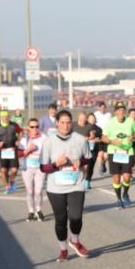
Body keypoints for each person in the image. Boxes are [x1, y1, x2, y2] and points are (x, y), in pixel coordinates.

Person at [40, 110, 92, 261]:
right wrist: (57, 164)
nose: (65, 125)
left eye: (68, 122)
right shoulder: (49, 142)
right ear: (56, 123)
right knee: (61, 220)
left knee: (76, 217)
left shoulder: (80, 140)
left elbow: (88, 159)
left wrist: (80, 162)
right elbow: (43, 167)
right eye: (62, 122)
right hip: (55, 188)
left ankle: (74, 240)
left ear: (72, 123)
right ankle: (63, 250)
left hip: (76, 184)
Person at [101, 102, 135, 208]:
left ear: (125, 111)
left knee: (126, 177)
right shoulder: (110, 123)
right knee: (117, 178)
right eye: (118, 110)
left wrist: (132, 136)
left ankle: (125, 193)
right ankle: (118, 199)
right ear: (115, 112)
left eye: (123, 110)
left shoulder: (130, 121)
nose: (121, 112)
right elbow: (103, 137)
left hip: (127, 152)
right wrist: (112, 141)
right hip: (114, 152)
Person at [18, 118, 47, 222]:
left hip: (40, 168)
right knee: (30, 191)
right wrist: (28, 150)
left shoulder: (44, 138)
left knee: (38, 191)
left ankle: (38, 210)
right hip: (27, 169)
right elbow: (18, 154)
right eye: (32, 127)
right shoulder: (24, 140)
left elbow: (49, 151)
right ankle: (31, 211)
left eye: (37, 126)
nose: (35, 129)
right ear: (28, 128)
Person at [73, 111, 101, 190]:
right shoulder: (73, 124)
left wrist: (87, 138)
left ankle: (85, 180)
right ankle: (75, 179)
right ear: (78, 118)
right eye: (81, 119)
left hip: (86, 149)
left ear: (86, 119)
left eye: (84, 119)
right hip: (75, 150)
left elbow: (92, 136)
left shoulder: (89, 126)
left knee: (87, 166)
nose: (82, 120)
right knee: (76, 165)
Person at [0, 110, 22, 195]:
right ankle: (7, 186)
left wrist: (18, 140)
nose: (5, 118)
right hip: (3, 151)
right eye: (3, 117)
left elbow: (20, 131)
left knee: (14, 170)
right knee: (3, 170)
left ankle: (11, 181)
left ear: (9, 117)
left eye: (6, 116)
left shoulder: (14, 125)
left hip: (12, 149)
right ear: (0, 117)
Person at [92, 101, 111, 174]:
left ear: (105, 108)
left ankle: (103, 164)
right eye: (101, 107)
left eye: (104, 107)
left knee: (106, 155)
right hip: (98, 135)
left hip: (106, 136)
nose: (103, 109)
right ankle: (100, 167)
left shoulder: (109, 114)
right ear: (98, 107)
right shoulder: (95, 114)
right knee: (100, 154)